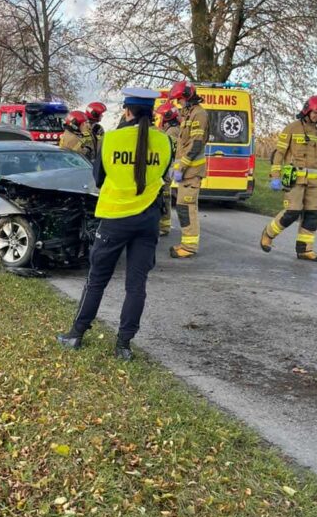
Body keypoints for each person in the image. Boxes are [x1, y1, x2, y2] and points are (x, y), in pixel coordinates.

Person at [56, 88, 174, 361]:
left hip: (114, 219)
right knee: (136, 285)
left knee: (97, 280)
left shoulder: (112, 140)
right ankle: (123, 345)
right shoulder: (164, 142)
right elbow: (164, 176)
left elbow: (98, 178)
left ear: (128, 110)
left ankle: (76, 334)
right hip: (148, 220)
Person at [260, 96, 317, 262]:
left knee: (313, 214)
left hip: (314, 182)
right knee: (292, 212)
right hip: (295, 180)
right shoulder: (291, 128)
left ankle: (305, 250)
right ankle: (268, 234)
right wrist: (275, 176)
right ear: (307, 110)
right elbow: (279, 154)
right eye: (315, 112)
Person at [166, 81, 209, 259]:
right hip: (186, 172)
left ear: (187, 97)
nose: (179, 103)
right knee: (185, 206)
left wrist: (181, 166)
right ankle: (187, 243)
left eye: (180, 100)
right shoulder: (190, 114)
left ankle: (189, 246)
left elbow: (195, 144)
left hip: (191, 172)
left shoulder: (199, 114)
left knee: (186, 207)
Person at [156, 102, 181, 237]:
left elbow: (169, 150)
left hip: (168, 168)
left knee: (165, 193)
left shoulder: (172, 131)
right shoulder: (173, 129)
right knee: (165, 193)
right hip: (169, 167)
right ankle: (163, 224)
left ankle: (164, 226)